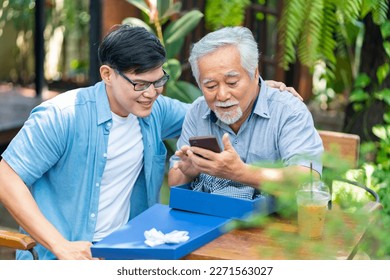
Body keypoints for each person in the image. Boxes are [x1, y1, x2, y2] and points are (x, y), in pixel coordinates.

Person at [0, 24, 300, 260]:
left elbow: (213, 111)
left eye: (158, 81)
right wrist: (62, 246)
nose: (151, 93)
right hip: (65, 258)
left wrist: (257, 89)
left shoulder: (155, 111)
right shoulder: (62, 116)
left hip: (129, 251)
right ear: (107, 74)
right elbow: (5, 177)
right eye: (139, 84)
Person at [168, 26, 323, 199]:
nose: (222, 95)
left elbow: (307, 179)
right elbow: (175, 182)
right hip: (209, 218)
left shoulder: (288, 110)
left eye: (232, 82)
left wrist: (239, 172)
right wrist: (189, 172)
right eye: (210, 86)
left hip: (275, 223)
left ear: (254, 74)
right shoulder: (198, 111)